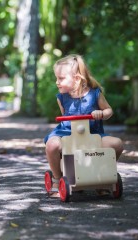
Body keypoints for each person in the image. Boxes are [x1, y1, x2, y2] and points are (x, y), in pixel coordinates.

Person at [44, 54, 124, 198]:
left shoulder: (94, 94)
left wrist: (102, 113)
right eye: (57, 78)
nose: (57, 82)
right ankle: (57, 178)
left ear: (76, 78)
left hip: (92, 134)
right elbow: (64, 118)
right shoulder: (61, 98)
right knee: (51, 145)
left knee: (116, 144)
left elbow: (109, 110)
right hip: (66, 133)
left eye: (61, 78)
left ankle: (101, 175)